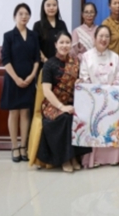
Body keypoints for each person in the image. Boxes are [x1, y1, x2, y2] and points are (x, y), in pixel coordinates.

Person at [35, 32, 91, 172]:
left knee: (78, 117)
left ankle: (73, 157)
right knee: (65, 118)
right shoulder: (49, 65)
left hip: (71, 102)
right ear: (56, 45)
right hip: (52, 104)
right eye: (61, 42)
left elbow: (79, 83)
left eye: (67, 42)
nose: (64, 45)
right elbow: (47, 91)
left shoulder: (75, 62)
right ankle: (65, 159)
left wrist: (79, 82)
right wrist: (61, 106)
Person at [79, 25, 119, 168]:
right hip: (92, 101)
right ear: (95, 38)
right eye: (101, 36)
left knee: (111, 127)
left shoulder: (115, 57)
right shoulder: (86, 57)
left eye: (107, 36)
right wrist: (96, 94)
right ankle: (93, 159)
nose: (104, 39)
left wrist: (108, 92)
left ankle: (112, 158)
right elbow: (84, 78)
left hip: (111, 101)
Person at [0, 3, 40, 162]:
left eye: (27, 14)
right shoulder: (8, 36)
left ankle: (24, 146)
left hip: (29, 79)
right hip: (13, 80)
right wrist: (16, 79)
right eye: (20, 14)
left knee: (25, 112)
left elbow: (37, 58)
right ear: (14, 16)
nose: (24, 16)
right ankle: (14, 146)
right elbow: (5, 60)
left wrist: (32, 76)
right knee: (14, 113)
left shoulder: (33, 35)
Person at [33, 0, 68, 65]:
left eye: (54, 5)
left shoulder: (62, 24)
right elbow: (35, 46)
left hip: (61, 64)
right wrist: (46, 61)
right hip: (44, 64)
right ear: (43, 7)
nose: (51, 8)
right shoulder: (38, 25)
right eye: (48, 5)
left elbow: (66, 43)